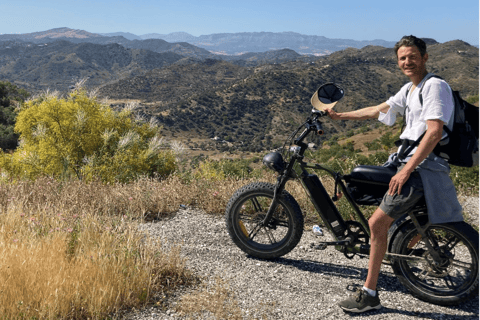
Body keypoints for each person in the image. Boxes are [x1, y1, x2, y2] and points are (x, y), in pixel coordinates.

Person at [325, 35, 464, 313]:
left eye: (412, 56)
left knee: (377, 224)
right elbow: (378, 110)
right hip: (405, 161)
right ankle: (389, 245)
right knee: (358, 178)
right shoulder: (411, 89)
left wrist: (406, 171)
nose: (407, 62)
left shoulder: (434, 86)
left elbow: (434, 132)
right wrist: (340, 116)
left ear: (425, 58)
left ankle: (370, 294)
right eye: (402, 58)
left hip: (422, 167)